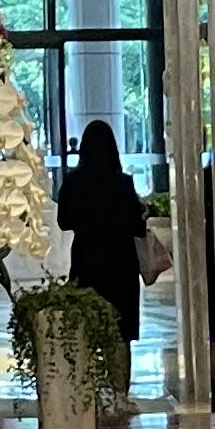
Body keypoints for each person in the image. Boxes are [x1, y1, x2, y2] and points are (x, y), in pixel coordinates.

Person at [56, 116, 148, 359]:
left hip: (87, 262)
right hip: (121, 265)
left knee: (87, 329)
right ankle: (119, 381)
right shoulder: (123, 183)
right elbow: (137, 228)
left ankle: (90, 379)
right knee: (121, 334)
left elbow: (63, 222)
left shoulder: (73, 182)